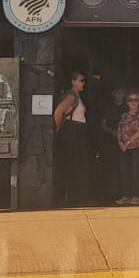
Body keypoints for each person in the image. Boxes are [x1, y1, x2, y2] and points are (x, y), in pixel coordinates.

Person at [53, 71, 91, 207]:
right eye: (81, 80)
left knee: (78, 164)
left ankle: (75, 197)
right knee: (74, 164)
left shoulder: (77, 96)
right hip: (71, 129)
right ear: (73, 81)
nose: (83, 83)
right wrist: (59, 129)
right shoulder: (70, 96)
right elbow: (58, 112)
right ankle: (70, 198)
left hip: (77, 130)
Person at [116, 92, 139, 204]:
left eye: (136, 100)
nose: (133, 102)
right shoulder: (123, 115)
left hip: (136, 147)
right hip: (124, 148)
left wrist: (128, 142)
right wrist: (120, 142)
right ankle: (125, 195)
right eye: (130, 100)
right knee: (124, 172)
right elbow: (119, 129)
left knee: (136, 171)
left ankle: (136, 196)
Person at [100, 85, 128, 203]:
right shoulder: (107, 107)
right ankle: (110, 194)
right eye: (117, 93)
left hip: (125, 143)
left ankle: (125, 193)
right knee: (110, 168)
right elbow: (102, 124)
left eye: (121, 92)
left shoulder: (127, 108)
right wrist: (114, 133)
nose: (119, 95)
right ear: (113, 94)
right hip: (109, 142)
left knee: (124, 168)